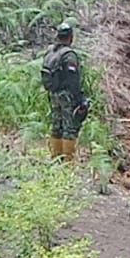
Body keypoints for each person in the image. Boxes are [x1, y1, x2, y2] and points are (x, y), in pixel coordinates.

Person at [41, 21, 87, 162]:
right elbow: (73, 80)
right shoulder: (69, 55)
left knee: (57, 126)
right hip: (66, 96)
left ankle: (56, 158)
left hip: (53, 94)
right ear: (71, 37)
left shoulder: (50, 52)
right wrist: (80, 100)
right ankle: (68, 162)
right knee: (69, 128)